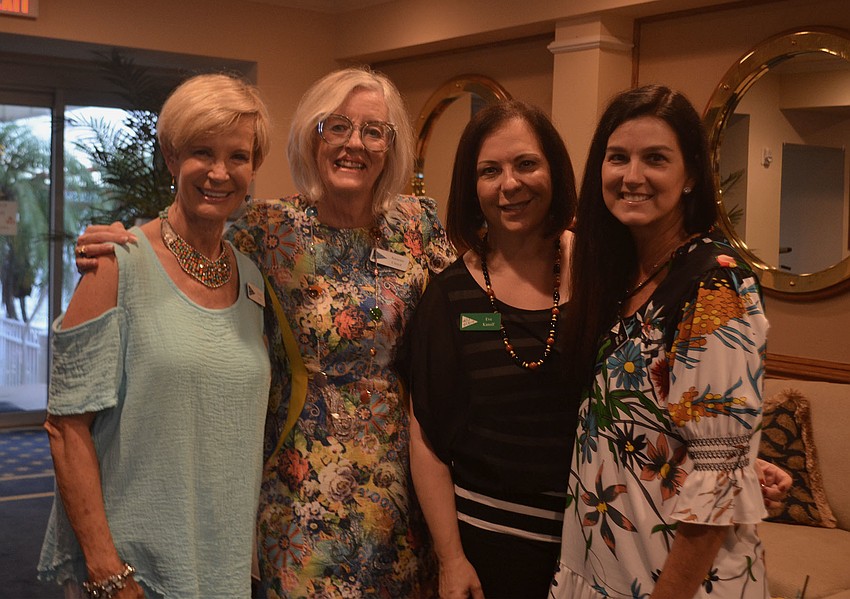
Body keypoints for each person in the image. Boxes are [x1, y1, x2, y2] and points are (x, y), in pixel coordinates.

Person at [74, 66, 453, 598]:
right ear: (311, 136)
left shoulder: (418, 228)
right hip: (299, 490)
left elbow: (475, 300)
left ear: (391, 147)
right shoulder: (268, 231)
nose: (355, 144)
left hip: (406, 485)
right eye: (337, 126)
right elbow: (188, 250)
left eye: (374, 131)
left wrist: (561, 249)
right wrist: (120, 243)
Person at [38, 73, 272, 598]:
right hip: (132, 575)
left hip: (223, 567)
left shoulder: (252, 279)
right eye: (200, 152)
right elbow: (65, 428)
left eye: (238, 156)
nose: (219, 172)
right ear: (170, 157)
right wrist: (108, 571)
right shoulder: (115, 265)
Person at [551, 84, 771, 598]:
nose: (632, 177)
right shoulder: (621, 277)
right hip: (607, 562)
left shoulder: (715, 284)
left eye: (655, 159)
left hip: (676, 581)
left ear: (691, 174)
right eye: (618, 158)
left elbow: (718, 477)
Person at [397, 99, 580, 598]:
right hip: (486, 551)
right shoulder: (450, 295)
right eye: (489, 171)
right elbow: (426, 439)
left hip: (594, 544)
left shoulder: (601, 277)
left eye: (526, 164)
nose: (509, 184)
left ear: (554, 170)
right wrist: (451, 558)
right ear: (471, 187)